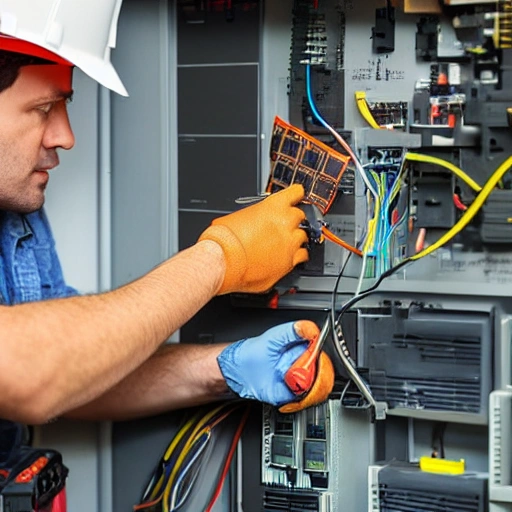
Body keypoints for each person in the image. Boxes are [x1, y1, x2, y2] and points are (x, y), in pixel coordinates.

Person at [0, 0, 334, 426]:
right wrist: (220, 257)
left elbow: (75, 372)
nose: (65, 136)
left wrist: (223, 369)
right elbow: (33, 374)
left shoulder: (15, 215)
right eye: (44, 109)